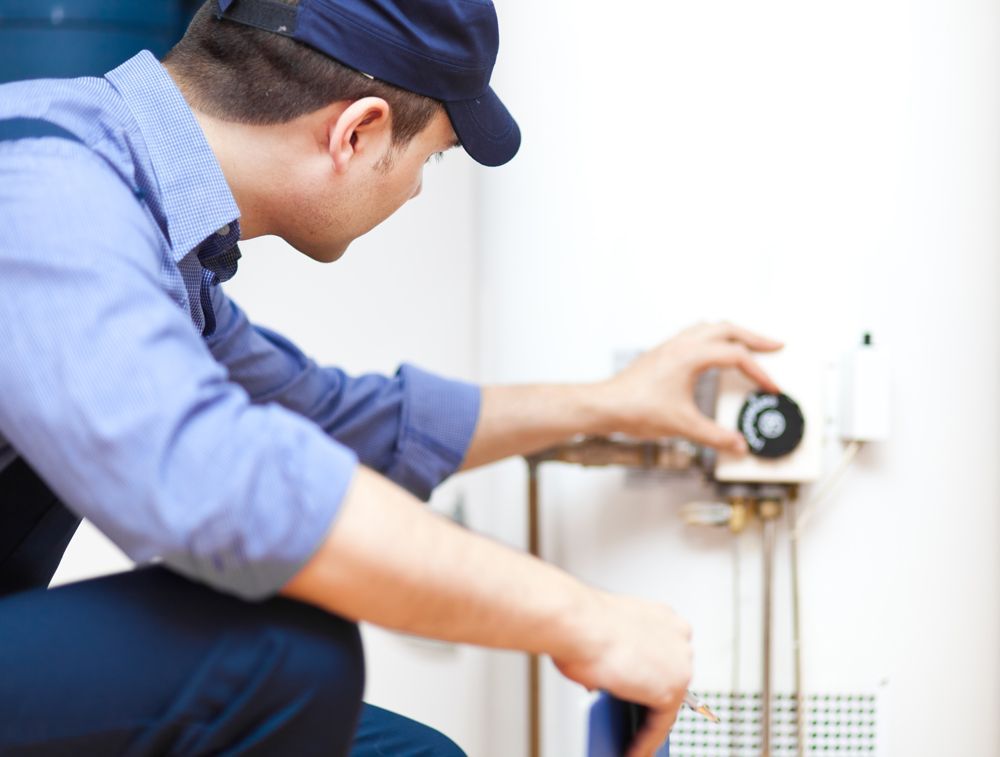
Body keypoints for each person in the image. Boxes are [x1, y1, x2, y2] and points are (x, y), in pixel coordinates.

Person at [0, 1, 782, 754]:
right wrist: (583, 617)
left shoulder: (150, 225)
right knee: (284, 652)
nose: (414, 188)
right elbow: (227, 487)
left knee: (404, 751)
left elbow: (332, 420)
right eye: (431, 157)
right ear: (358, 132)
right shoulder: (49, 190)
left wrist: (611, 405)